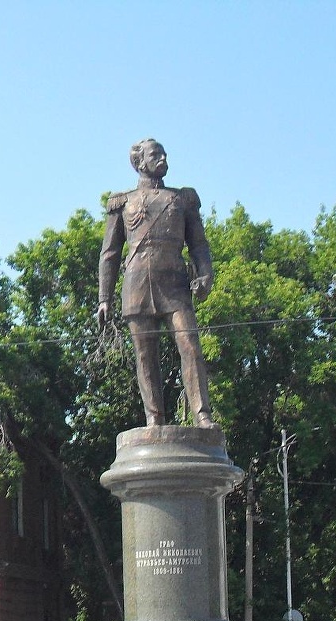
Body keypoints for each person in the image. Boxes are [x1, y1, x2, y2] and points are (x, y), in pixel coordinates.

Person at [97, 138, 216, 428]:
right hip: (136, 285)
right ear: (140, 163)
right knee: (145, 356)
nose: (163, 158)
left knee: (190, 346)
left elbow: (199, 244)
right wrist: (104, 298)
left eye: (164, 154)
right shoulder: (122, 202)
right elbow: (110, 254)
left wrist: (206, 275)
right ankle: (154, 419)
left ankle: (202, 414)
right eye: (156, 154)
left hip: (175, 285)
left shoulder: (182, 199)